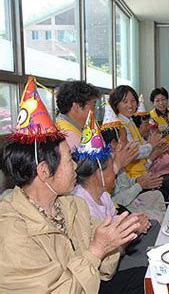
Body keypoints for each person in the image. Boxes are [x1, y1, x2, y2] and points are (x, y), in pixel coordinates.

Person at [0, 77, 144, 293]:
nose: (77, 166)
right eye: (70, 159)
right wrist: (97, 249)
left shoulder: (72, 205)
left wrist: (117, 237)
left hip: (88, 283)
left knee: (150, 277)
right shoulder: (12, 231)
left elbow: (105, 271)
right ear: (44, 171)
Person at [72, 111, 160, 272]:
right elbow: (103, 247)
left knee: (154, 226)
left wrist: (132, 220)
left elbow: (114, 219)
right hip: (106, 263)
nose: (116, 171)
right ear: (99, 174)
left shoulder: (103, 195)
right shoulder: (81, 203)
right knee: (151, 264)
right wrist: (132, 228)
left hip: (119, 247)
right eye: (112, 168)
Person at [56, 80, 100, 149]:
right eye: (93, 105)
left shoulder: (60, 125)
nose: (96, 111)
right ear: (76, 107)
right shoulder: (70, 135)